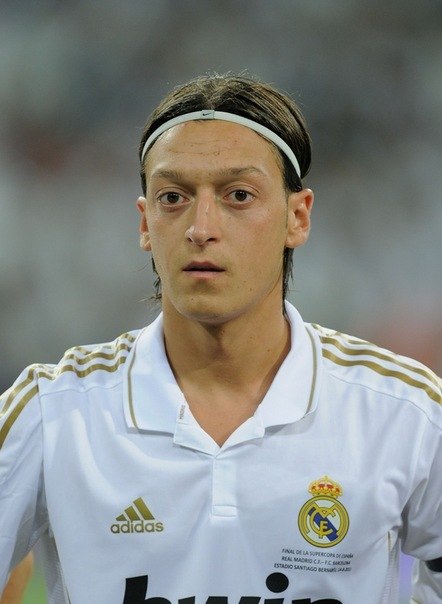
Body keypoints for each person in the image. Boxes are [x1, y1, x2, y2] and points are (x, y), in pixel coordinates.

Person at [0, 74, 440, 604]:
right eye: (173, 197)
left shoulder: (404, 411)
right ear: (145, 223)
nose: (200, 226)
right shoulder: (53, 411)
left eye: (238, 195)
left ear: (297, 217)